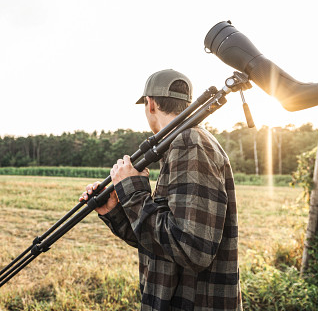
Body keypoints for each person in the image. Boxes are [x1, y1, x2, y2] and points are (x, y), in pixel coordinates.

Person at [80, 69, 242, 311]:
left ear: (151, 103)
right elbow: (162, 242)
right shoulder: (182, 142)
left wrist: (134, 192)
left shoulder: (190, 143)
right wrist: (115, 210)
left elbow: (192, 250)